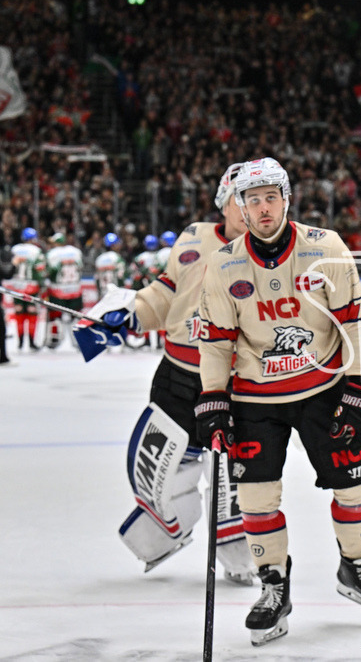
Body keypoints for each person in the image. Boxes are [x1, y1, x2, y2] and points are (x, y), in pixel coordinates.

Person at [197, 157, 361, 645]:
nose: (263, 208)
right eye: (253, 200)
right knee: (257, 496)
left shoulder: (325, 248)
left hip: (324, 388)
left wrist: (358, 387)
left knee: (357, 482)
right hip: (254, 397)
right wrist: (212, 399)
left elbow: (354, 322)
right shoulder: (224, 264)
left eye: (271, 197)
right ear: (240, 207)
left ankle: (355, 566)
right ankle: (273, 586)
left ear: (288, 199)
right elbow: (217, 341)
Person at [79, 163, 256, 583]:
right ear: (223, 203)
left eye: (257, 199)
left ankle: (243, 558)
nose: (247, 208)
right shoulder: (194, 237)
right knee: (161, 463)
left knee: (236, 478)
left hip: (236, 382)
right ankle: (164, 534)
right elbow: (164, 292)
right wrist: (129, 315)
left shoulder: (271, 251)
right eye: (239, 198)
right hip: (177, 373)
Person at [7, 228, 47, 351]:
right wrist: (42, 286)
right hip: (31, 287)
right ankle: (31, 342)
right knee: (32, 315)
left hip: (17, 286)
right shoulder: (36, 251)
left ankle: (20, 342)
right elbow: (40, 270)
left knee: (19, 314)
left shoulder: (14, 249)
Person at [43, 233, 84, 350]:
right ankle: (77, 339)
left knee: (55, 316)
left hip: (58, 290)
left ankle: (54, 338)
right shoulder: (76, 252)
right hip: (75, 289)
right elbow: (80, 267)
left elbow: (49, 271)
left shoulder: (52, 254)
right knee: (75, 316)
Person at [94, 232, 126, 299]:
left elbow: (97, 279)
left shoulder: (99, 259)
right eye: (117, 243)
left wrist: (99, 295)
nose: (119, 245)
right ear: (112, 245)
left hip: (104, 295)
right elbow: (121, 276)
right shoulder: (117, 257)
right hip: (116, 294)